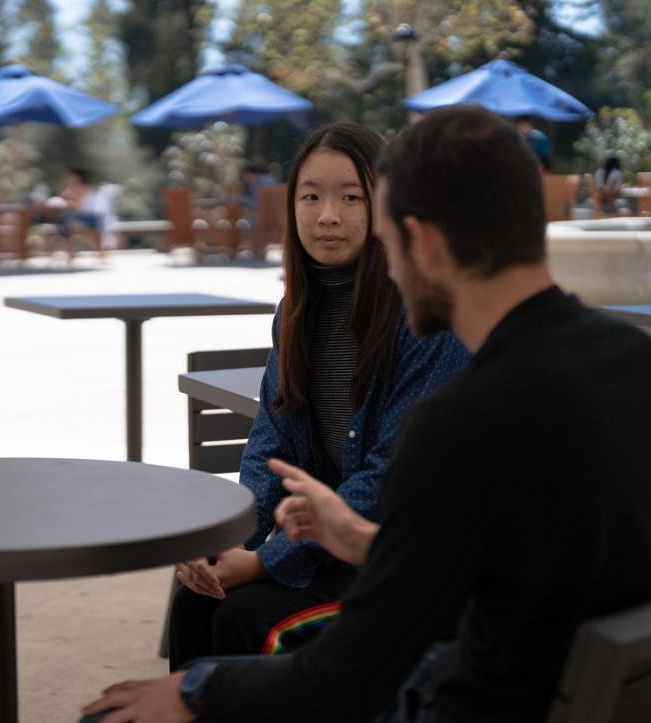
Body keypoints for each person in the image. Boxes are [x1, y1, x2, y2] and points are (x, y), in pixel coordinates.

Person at [82, 105, 651, 722]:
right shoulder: (631, 360)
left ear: (422, 242)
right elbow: (500, 560)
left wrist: (197, 692)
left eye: (383, 234)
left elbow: (349, 676)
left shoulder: (459, 421)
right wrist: (359, 539)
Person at [168, 122, 467, 667]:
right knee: (196, 595)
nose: (327, 215)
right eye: (311, 196)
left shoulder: (423, 317)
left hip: (402, 559)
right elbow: (269, 446)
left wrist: (267, 562)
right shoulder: (295, 314)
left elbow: (388, 476)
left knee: (245, 616)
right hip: (325, 540)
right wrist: (236, 543)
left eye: (351, 197)